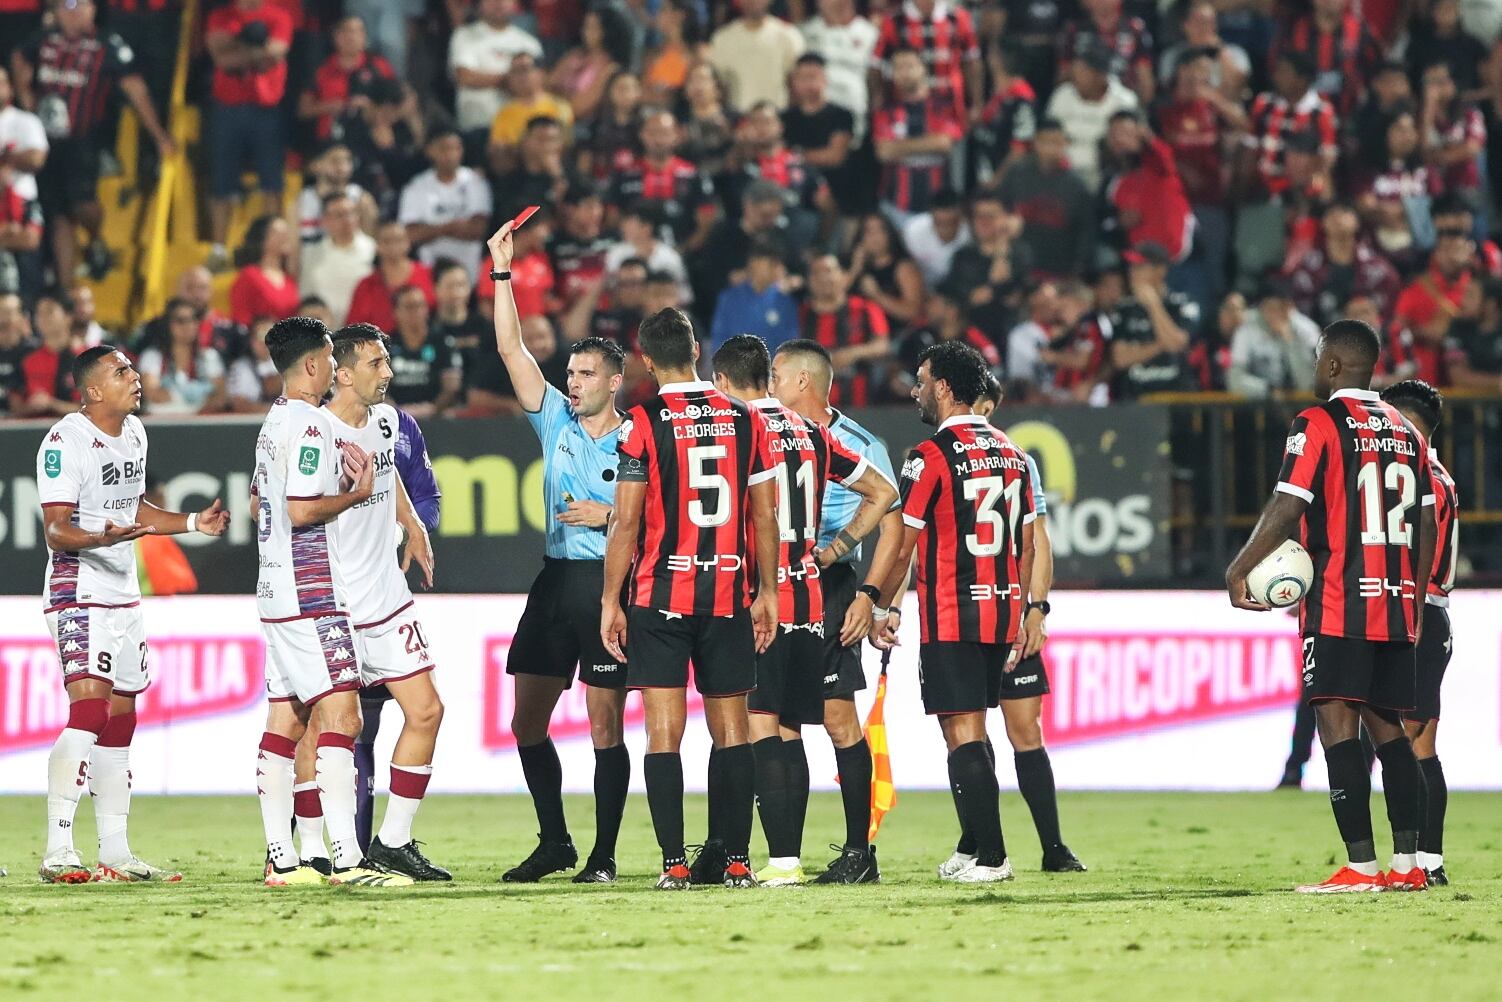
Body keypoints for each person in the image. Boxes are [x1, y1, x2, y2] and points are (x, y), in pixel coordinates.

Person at [1225, 318, 1435, 894]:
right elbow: (1424, 522)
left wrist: (1240, 566)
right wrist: (1412, 602)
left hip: (1341, 601)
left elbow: (1289, 503)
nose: (1314, 368)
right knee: (1388, 727)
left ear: (1336, 365)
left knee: (1337, 721)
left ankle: (1362, 868)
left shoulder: (1317, 422)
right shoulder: (1407, 431)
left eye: (1319, 358)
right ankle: (1409, 864)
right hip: (1393, 601)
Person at [599, 306, 781, 890]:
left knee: (663, 733)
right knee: (732, 731)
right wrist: (769, 590)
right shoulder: (747, 420)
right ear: (697, 351)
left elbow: (625, 524)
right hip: (729, 593)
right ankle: (735, 861)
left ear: (645, 362)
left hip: (660, 596)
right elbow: (764, 513)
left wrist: (610, 600)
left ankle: (675, 863)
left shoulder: (642, 422)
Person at [706, 334, 896, 887]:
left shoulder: (740, 430)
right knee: (788, 725)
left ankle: (783, 859)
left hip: (763, 590)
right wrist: (833, 549)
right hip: (812, 590)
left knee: (762, 722)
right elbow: (883, 493)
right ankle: (790, 856)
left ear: (723, 383)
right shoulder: (814, 433)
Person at [36, 343, 229, 883]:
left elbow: (134, 508)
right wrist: (100, 536)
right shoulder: (64, 441)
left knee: (122, 720)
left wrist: (193, 523)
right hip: (80, 587)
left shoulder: (137, 433)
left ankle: (115, 852)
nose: (134, 376)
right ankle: (58, 848)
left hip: (123, 592)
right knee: (91, 714)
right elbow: (55, 529)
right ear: (93, 389)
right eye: (121, 371)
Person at [482, 220, 633, 885]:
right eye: (569, 372)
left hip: (607, 587)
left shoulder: (639, 443)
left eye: (586, 374)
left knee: (605, 727)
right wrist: (502, 274)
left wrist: (614, 514)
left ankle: (602, 856)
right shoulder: (556, 420)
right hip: (554, 582)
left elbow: (665, 520)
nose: (572, 383)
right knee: (525, 721)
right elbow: (512, 348)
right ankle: (556, 842)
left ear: (616, 380)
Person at [251, 315, 411, 888]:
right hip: (311, 589)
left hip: (274, 590)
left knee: (284, 719)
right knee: (342, 717)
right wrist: (358, 493)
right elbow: (299, 511)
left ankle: (284, 859)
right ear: (317, 366)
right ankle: (348, 859)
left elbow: (257, 505)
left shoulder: (274, 422)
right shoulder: (313, 426)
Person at [872, 339, 1036, 883]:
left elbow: (902, 544)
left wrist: (878, 604)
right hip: (1001, 609)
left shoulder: (929, 457)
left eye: (921, 381)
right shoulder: (1014, 454)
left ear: (943, 387)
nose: (916, 391)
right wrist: (1025, 608)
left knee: (962, 730)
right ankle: (972, 846)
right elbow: (1028, 544)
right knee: (970, 727)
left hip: (952, 611)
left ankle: (992, 857)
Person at [765, 338, 905, 883]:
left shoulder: (855, 442)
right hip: (778, 584)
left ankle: (858, 853)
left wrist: (872, 598)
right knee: (780, 721)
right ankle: (785, 855)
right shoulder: (766, 432)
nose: (770, 382)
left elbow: (894, 524)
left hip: (830, 587)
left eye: (777, 374)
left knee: (838, 719)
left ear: (803, 381)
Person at [321, 324, 446, 881]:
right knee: (324, 727)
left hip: (387, 602)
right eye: (376, 363)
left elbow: (391, 474)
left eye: (388, 361)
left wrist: (413, 522)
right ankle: (316, 849)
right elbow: (281, 509)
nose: (388, 372)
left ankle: (392, 841)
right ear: (342, 374)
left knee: (427, 711)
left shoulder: (391, 423)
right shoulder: (313, 432)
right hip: (334, 604)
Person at [967, 373, 1086, 873]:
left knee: (1025, 730)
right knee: (969, 734)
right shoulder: (940, 457)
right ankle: (978, 842)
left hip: (1008, 612)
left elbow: (1038, 539)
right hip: (966, 614)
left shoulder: (1018, 463)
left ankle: (1053, 847)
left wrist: (1036, 608)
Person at [13, 0, 173, 280]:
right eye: (64, 6)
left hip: (84, 141)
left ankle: (96, 238)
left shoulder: (106, 45)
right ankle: (66, 285)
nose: (70, 12)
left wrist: (158, 135)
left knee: (82, 203)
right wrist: (26, 95)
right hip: (47, 144)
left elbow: (135, 88)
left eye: (77, 5)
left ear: (92, 9)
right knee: (59, 213)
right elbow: (19, 57)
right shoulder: (44, 40)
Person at [1380, 379, 1457, 887]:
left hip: (1417, 613)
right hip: (1428, 614)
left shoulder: (1415, 471)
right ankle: (1424, 859)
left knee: (1412, 744)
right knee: (1414, 742)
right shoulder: (1439, 474)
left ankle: (1423, 862)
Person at [202, 0, 293, 271]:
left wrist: (236, 47)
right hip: (227, 107)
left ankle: (272, 248)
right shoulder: (220, 15)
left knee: (271, 181)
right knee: (222, 180)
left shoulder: (278, 15)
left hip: (267, 107)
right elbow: (221, 58)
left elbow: (275, 53)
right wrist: (257, 50)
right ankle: (219, 249)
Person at [873, 48, 965, 224]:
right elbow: (883, 152)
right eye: (898, 68)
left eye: (910, 66)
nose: (904, 72)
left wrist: (898, 147)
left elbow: (945, 144)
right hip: (896, 207)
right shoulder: (886, 109)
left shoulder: (943, 105)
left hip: (939, 209)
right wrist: (930, 142)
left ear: (924, 69)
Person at [997, 119, 1094, 281]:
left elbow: (1085, 232)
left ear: (1065, 144)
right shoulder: (1017, 174)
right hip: (1017, 266)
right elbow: (999, 210)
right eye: (1046, 142)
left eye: (1057, 143)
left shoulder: (1077, 186)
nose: (1051, 149)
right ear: (1035, 143)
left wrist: (1078, 269)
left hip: (1058, 270)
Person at [1044, 41, 1138, 193]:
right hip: (1063, 173)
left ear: (1101, 75)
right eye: (1075, 69)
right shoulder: (1062, 95)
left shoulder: (1123, 100)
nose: (1075, 75)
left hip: (1105, 174)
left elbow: (1127, 147)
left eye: (1083, 70)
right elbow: (1049, 134)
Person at [399, 128, 492, 281]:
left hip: (471, 272)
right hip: (430, 270)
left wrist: (432, 230)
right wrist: (453, 226)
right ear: (430, 151)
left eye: (455, 148)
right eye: (444, 148)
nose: (450, 154)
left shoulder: (475, 182)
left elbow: (478, 229)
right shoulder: (417, 186)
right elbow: (412, 234)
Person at [798, 254, 890, 407]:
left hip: (861, 406)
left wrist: (852, 354)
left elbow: (883, 346)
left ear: (843, 275)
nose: (823, 278)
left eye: (828, 271)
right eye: (816, 273)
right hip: (812, 410)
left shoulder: (865, 309)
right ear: (809, 280)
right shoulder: (801, 314)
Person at [1109, 242, 1198, 400]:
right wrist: (1163, 343)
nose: (1132, 272)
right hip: (1135, 398)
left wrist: (1154, 305)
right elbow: (1120, 359)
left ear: (1160, 270)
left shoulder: (1182, 303)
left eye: (1140, 267)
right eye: (1132, 266)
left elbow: (1178, 344)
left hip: (1176, 396)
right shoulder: (1123, 308)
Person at [447, 0, 543, 136]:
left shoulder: (529, 43)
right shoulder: (464, 36)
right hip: (478, 127)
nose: (499, 3)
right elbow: (464, 77)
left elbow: (539, 83)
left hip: (520, 131)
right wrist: (510, 80)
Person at [1227, 276, 1321, 398]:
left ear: (1289, 307)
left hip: (1299, 407)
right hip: (1259, 405)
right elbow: (1235, 380)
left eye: (1280, 308)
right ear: (1261, 307)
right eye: (1270, 308)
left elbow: (1307, 385)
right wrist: (1268, 390)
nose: (1275, 314)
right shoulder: (1247, 328)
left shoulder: (1306, 329)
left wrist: (1291, 342)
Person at [707, 0, 805, 111]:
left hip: (778, 116)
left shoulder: (789, 36)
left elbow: (796, 82)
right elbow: (719, 85)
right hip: (739, 119)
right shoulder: (722, 39)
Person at [137, 298, 228, 415]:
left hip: (201, 424)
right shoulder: (153, 357)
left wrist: (176, 398)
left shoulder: (209, 357)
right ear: (168, 325)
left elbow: (221, 396)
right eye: (181, 320)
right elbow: (152, 394)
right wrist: (196, 399)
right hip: (162, 424)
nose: (188, 325)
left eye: (193, 319)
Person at [300, 192, 376, 327]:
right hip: (324, 336)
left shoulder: (373, 250)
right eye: (339, 215)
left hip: (362, 334)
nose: (347, 219)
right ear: (325, 220)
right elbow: (306, 298)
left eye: (351, 213)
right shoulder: (311, 254)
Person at [385, 284, 462, 417]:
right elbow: (377, 388)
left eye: (420, 305)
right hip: (396, 418)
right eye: (409, 307)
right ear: (396, 312)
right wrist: (396, 411)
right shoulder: (386, 345)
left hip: (437, 416)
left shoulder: (442, 342)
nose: (416, 311)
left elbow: (452, 386)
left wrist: (433, 409)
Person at [709, 240, 799, 353]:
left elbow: (789, 346)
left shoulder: (785, 303)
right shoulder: (729, 299)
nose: (775, 269)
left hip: (771, 368)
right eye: (770, 264)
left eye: (776, 264)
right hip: (734, 367)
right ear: (753, 263)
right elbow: (718, 339)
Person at [346, 221, 435, 335]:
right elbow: (353, 329)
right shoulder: (366, 285)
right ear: (377, 245)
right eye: (387, 241)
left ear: (408, 243)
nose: (393, 246)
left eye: (399, 240)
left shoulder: (427, 274)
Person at [229, 216, 300, 328]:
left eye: (286, 232)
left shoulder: (290, 279)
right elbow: (241, 319)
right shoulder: (249, 276)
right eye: (278, 233)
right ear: (262, 239)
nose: (285, 237)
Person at [20, 288, 77, 417]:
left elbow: (94, 409)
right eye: (39, 313)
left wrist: (52, 404)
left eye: (49, 312)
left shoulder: (86, 359)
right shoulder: (29, 361)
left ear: (68, 317)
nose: (43, 318)